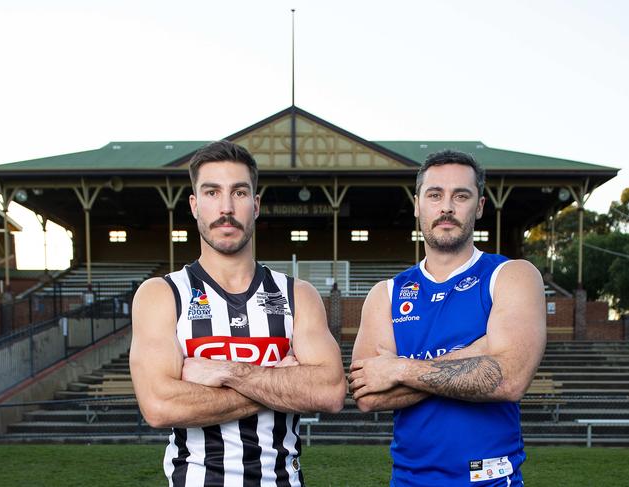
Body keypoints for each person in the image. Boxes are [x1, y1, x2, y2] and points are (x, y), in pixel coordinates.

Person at [130, 140, 346, 486]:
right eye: (212, 192)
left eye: (240, 193)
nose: (226, 207)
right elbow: (159, 405)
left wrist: (226, 372)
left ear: (256, 205)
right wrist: (278, 382)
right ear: (194, 205)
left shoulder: (298, 295)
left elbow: (330, 391)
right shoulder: (162, 294)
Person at [349, 150, 546, 486]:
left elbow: (509, 379)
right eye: (435, 194)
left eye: (461, 195)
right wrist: (478, 352)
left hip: (492, 479)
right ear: (417, 204)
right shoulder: (386, 294)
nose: (447, 207)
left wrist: (400, 369)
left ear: (480, 206)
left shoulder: (512, 275)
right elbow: (368, 395)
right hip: (409, 480)